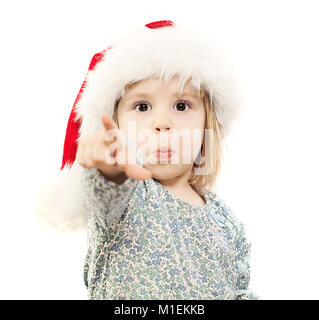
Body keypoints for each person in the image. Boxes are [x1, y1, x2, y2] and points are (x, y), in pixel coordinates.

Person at [34, 20, 259, 300]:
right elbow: (106, 189)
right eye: (142, 106)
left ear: (207, 126)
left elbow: (240, 291)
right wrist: (108, 165)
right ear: (114, 126)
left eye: (181, 105)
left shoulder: (225, 222)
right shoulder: (126, 199)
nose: (162, 122)